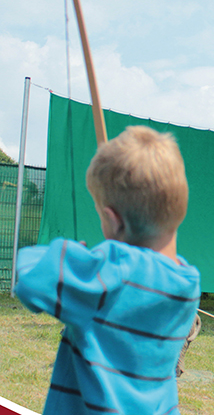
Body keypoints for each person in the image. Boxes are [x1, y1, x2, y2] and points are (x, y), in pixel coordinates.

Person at [15, 125, 201, 415]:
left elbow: (28, 275)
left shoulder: (112, 272)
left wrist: (77, 255)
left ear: (113, 220)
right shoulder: (187, 282)